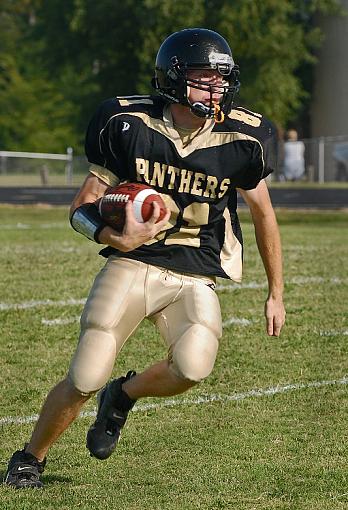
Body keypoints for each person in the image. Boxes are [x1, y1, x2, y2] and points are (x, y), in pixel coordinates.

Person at [4, 28, 285, 488]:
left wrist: (276, 292)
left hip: (196, 272)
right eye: (203, 77)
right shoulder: (127, 122)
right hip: (134, 263)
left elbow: (264, 214)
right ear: (173, 79)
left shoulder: (245, 136)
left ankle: (122, 396)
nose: (215, 88)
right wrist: (113, 236)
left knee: (194, 366)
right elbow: (80, 208)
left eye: (221, 78)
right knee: (86, 373)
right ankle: (30, 458)